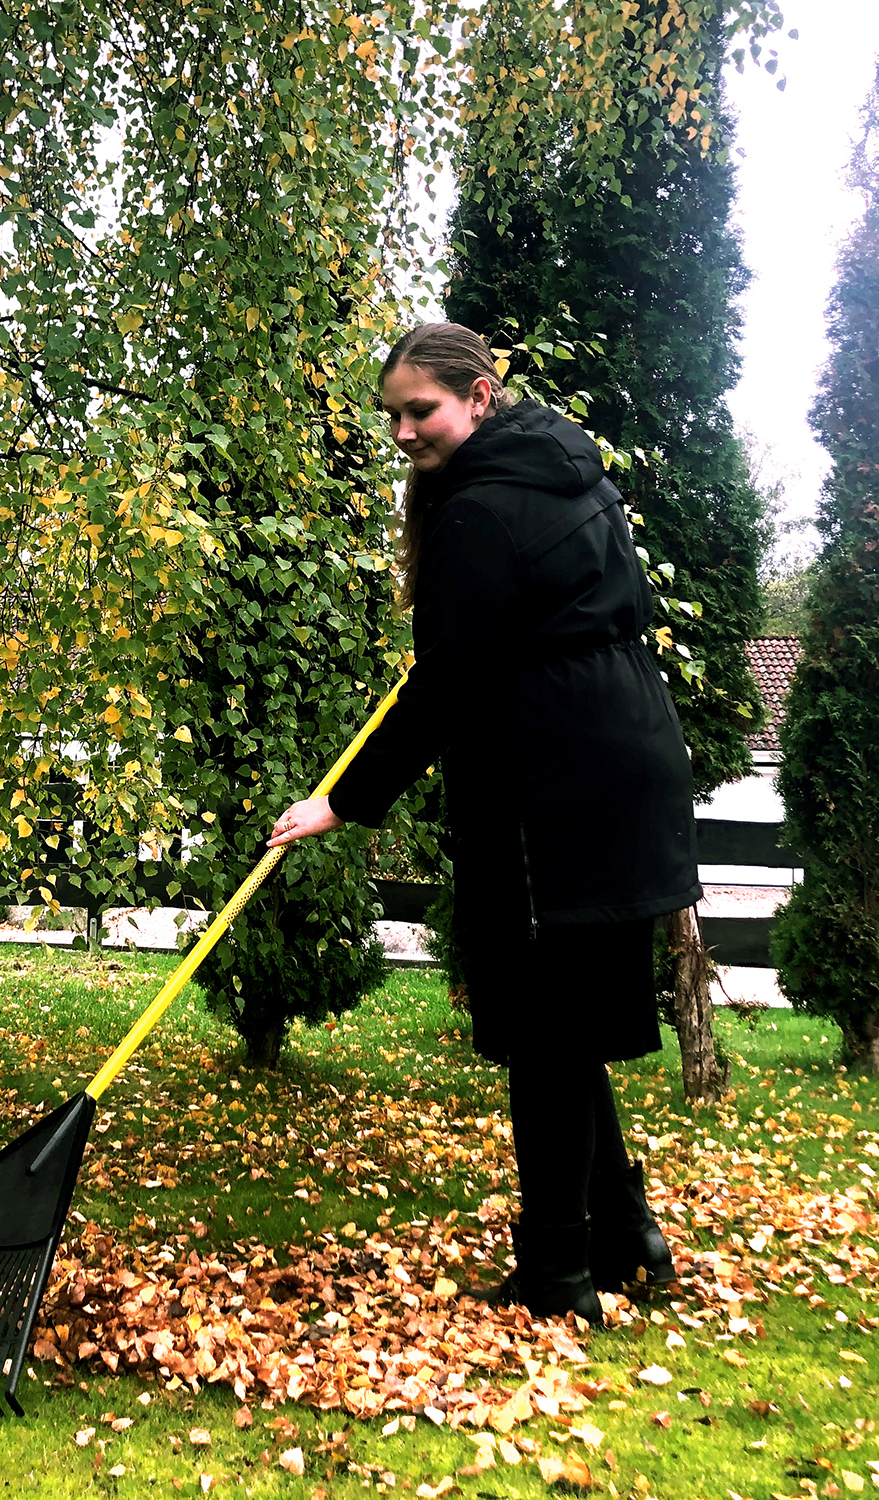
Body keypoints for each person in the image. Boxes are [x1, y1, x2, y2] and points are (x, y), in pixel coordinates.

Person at [268, 322, 695, 1325]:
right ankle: (628, 1237)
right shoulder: (564, 468)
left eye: (423, 411)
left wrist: (342, 801)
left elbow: (447, 689)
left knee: (546, 1032)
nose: (407, 431)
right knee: (572, 1023)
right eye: (395, 416)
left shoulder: (477, 511)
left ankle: (557, 1279)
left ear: (478, 395)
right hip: (621, 752)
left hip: (557, 779)